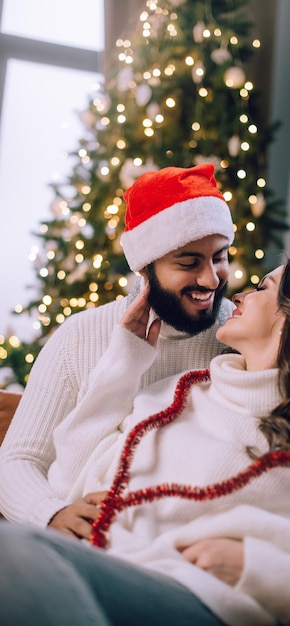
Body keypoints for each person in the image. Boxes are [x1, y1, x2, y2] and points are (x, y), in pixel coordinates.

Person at [0, 257, 290, 626]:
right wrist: (122, 365)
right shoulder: (183, 392)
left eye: (263, 288)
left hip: (193, 596)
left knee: (15, 552)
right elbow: (70, 479)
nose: (239, 293)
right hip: (103, 565)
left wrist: (258, 569)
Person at [0, 163, 236, 533]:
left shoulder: (239, 334)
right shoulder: (80, 335)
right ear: (145, 269)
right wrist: (49, 513)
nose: (210, 279)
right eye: (189, 263)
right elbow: (16, 461)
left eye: (220, 257)